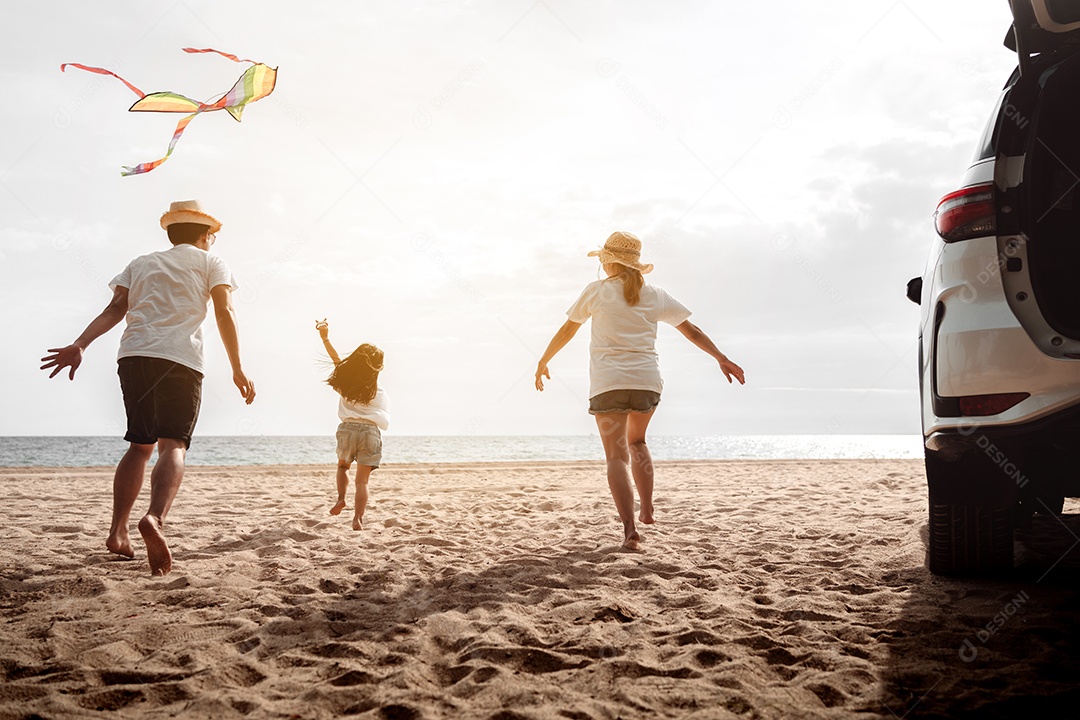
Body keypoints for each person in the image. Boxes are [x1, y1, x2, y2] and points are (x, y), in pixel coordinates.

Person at [40, 200, 255, 576]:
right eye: (213, 236)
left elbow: (114, 310)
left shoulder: (140, 263)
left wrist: (81, 344)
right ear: (205, 235)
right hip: (180, 359)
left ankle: (117, 532)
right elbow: (225, 311)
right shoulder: (212, 263)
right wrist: (238, 368)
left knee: (139, 446)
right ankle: (154, 518)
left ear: (172, 233)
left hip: (134, 356)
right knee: (173, 444)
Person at [535, 231, 745, 550]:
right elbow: (691, 329)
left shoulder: (596, 291)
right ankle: (647, 509)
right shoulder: (655, 294)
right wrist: (722, 358)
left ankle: (630, 529)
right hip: (647, 382)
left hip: (608, 384)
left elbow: (568, 329)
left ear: (608, 262)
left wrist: (543, 360)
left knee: (616, 457)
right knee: (638, 442)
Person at [316, 319, 389, 530]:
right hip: (370, 432)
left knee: (342, 466)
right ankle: (357, 518)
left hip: (347, 429)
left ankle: (340, 498)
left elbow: (336, 359)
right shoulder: (379, 392)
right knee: (362, 482)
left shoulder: (346, 385)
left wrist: (325, 337)